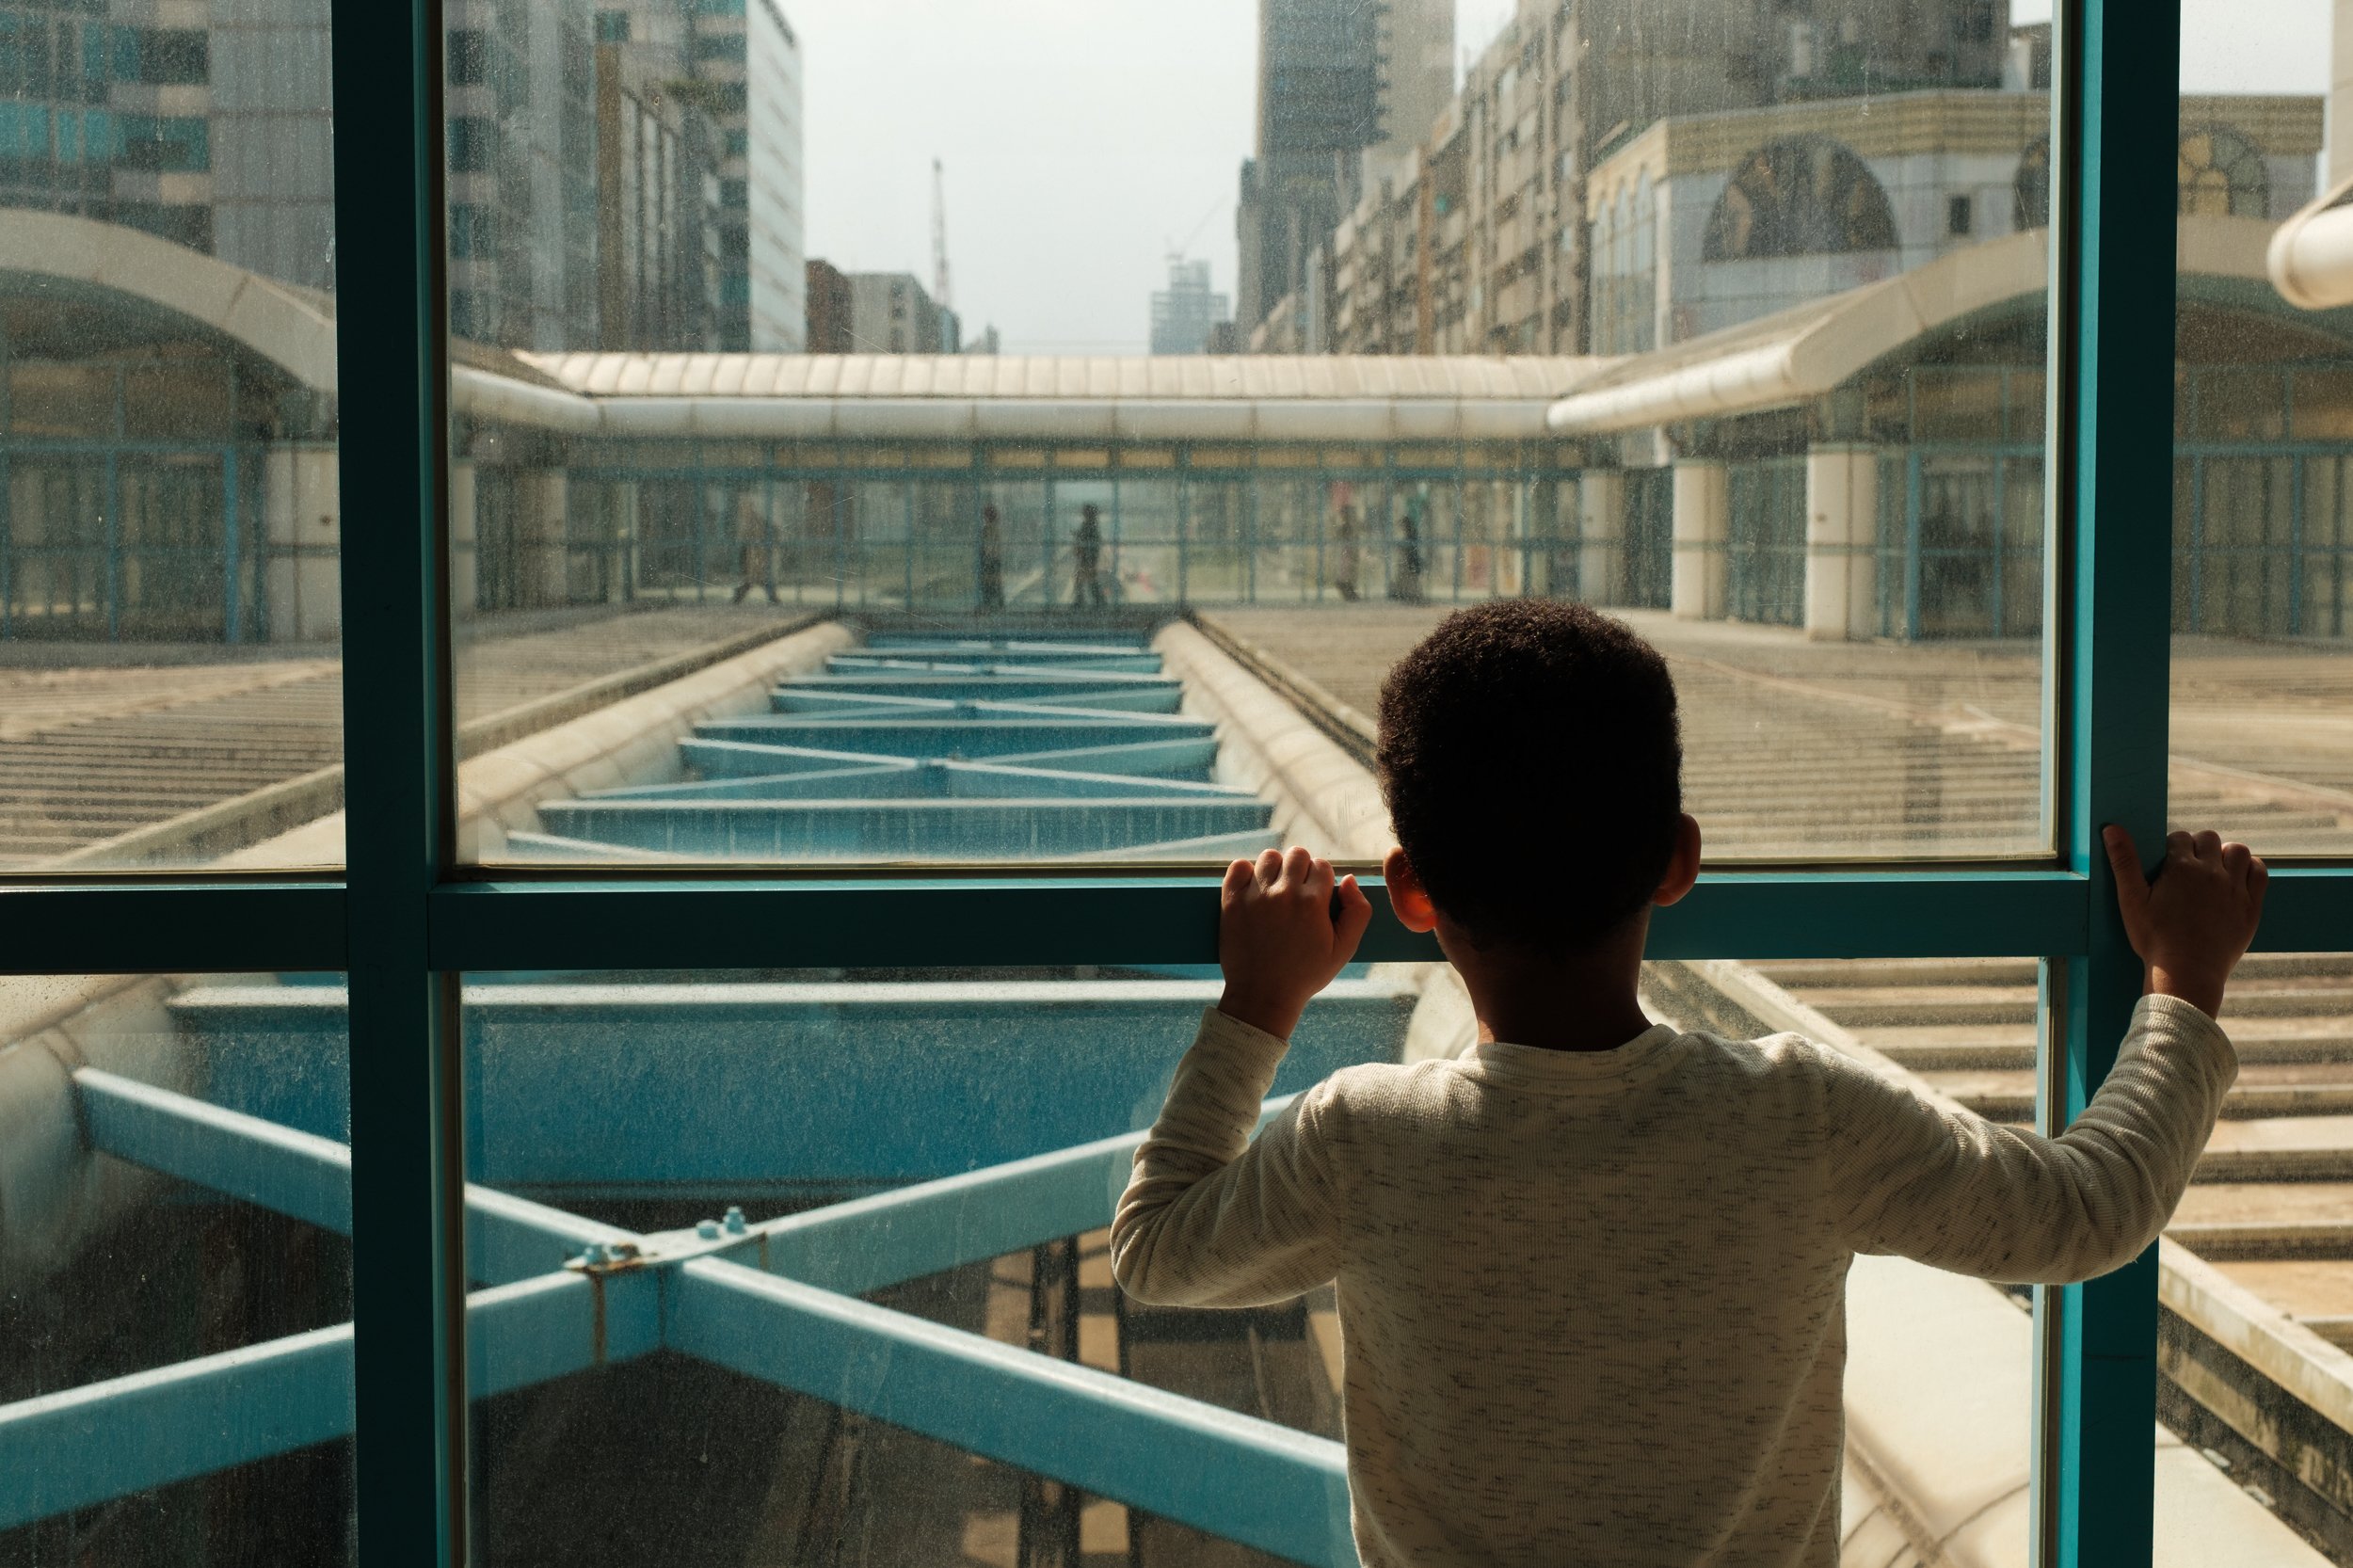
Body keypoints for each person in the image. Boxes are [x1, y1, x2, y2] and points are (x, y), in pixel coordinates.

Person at [1112, 600, 2265, 1568]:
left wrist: (1259, 1002)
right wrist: (2183, 978)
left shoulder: (1364, 1137)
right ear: (1677, 858)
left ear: (1411, 894)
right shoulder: (1804, 1120)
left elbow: (1153, 1250)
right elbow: (2086, 1210)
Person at [1390, 494, 1426, 602]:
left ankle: (1413, 596)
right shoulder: (1410, 534)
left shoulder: (1411, 534)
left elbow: (1408, 548)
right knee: (1409, 579)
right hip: (1410, 561)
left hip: (1411, 561)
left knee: (1411, 579)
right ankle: (1412, 596)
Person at [1072, 503, 1108, 608]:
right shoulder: (1093, 526)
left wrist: (1078, 538)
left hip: (1086, 558)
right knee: (1088, 580)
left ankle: (1083, 602)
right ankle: (1096, 601)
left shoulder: (1088, 525)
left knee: (1084, 580)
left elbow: (1084, 540)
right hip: (1090, 557)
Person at [1330, 503, 1361, 601]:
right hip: (1346, 552)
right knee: (1346, 572)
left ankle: (1349, 591)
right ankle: (1348, 591)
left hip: (1349, 552)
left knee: (1349, 572)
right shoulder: (1346, 526)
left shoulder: (1350, 526)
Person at [978, 503, 1006, 611]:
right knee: (995, 582)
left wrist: (987, 556)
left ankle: (990, 604)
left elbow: (989, 547)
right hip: (994, 559)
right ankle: (998, 603)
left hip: (990, 560)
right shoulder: (995, 529)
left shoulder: (988, 529)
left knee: (989, 583)